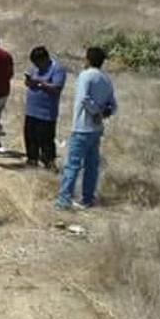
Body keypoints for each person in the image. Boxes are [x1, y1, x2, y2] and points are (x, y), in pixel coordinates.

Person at [55, 47, 117, 210]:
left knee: (72, 165)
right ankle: (87, 198)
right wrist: (103, 112)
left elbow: (83, 98)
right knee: (91, 166)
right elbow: (113, 105)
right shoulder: (106, 79)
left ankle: (63, 200)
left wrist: (95, 111)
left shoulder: (86, 76)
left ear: (88, 59)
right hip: (96, 129)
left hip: (82, 127)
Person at [23, 46, 66, 170]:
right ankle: (32, 160)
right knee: (30, 137)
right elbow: (29, 82)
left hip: (46, 112)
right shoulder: (34, 68)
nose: (36, 66)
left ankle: (49, 163)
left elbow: (57, 88)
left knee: (46, 140)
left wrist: (40, 82)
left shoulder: (57, 69)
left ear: (45, 59)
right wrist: (30, 82)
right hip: (31, 110)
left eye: (38, 63)